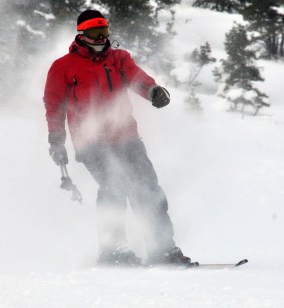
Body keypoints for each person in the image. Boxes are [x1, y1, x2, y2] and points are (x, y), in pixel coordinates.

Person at [43, 10, 192, 267]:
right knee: (114, 184)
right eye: (94, 33)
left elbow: (137, 78)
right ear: (82, 35)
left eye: (104, 32)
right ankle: (113, 251)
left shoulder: (119, 58)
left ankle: (162, 249)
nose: (101, 38)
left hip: (126, 138)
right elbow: (54, 106)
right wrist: (56, 140)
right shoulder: (63, 67)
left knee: (148, 188)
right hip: (90, 142)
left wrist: (153, 91)